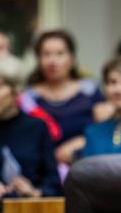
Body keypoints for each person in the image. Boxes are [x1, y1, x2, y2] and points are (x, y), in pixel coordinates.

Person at [0, 56, 61, 199]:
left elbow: (54, 185)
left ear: (16, 90)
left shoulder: (37, 127)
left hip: (30, 211)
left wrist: (33, 192)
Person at [23, 29, 113, 164]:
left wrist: (84, 141)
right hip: (42, 170)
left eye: (60, 54)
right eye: (46, 54)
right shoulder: (28, 97)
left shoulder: (90, 90)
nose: (53, 61)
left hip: (87, 167)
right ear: (39, 59)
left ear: (72, 59)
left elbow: (108, 130)